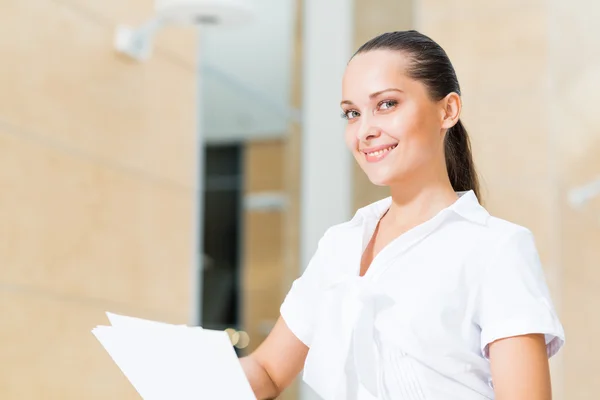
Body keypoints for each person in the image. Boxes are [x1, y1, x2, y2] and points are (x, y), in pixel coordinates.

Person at [240, 30, 565, 400]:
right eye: (352, 113)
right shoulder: (340, 245)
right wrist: (180, 363)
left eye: (387, 104)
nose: (365, 130)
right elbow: (266, 372)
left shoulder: (496, 249)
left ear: (448, 110)